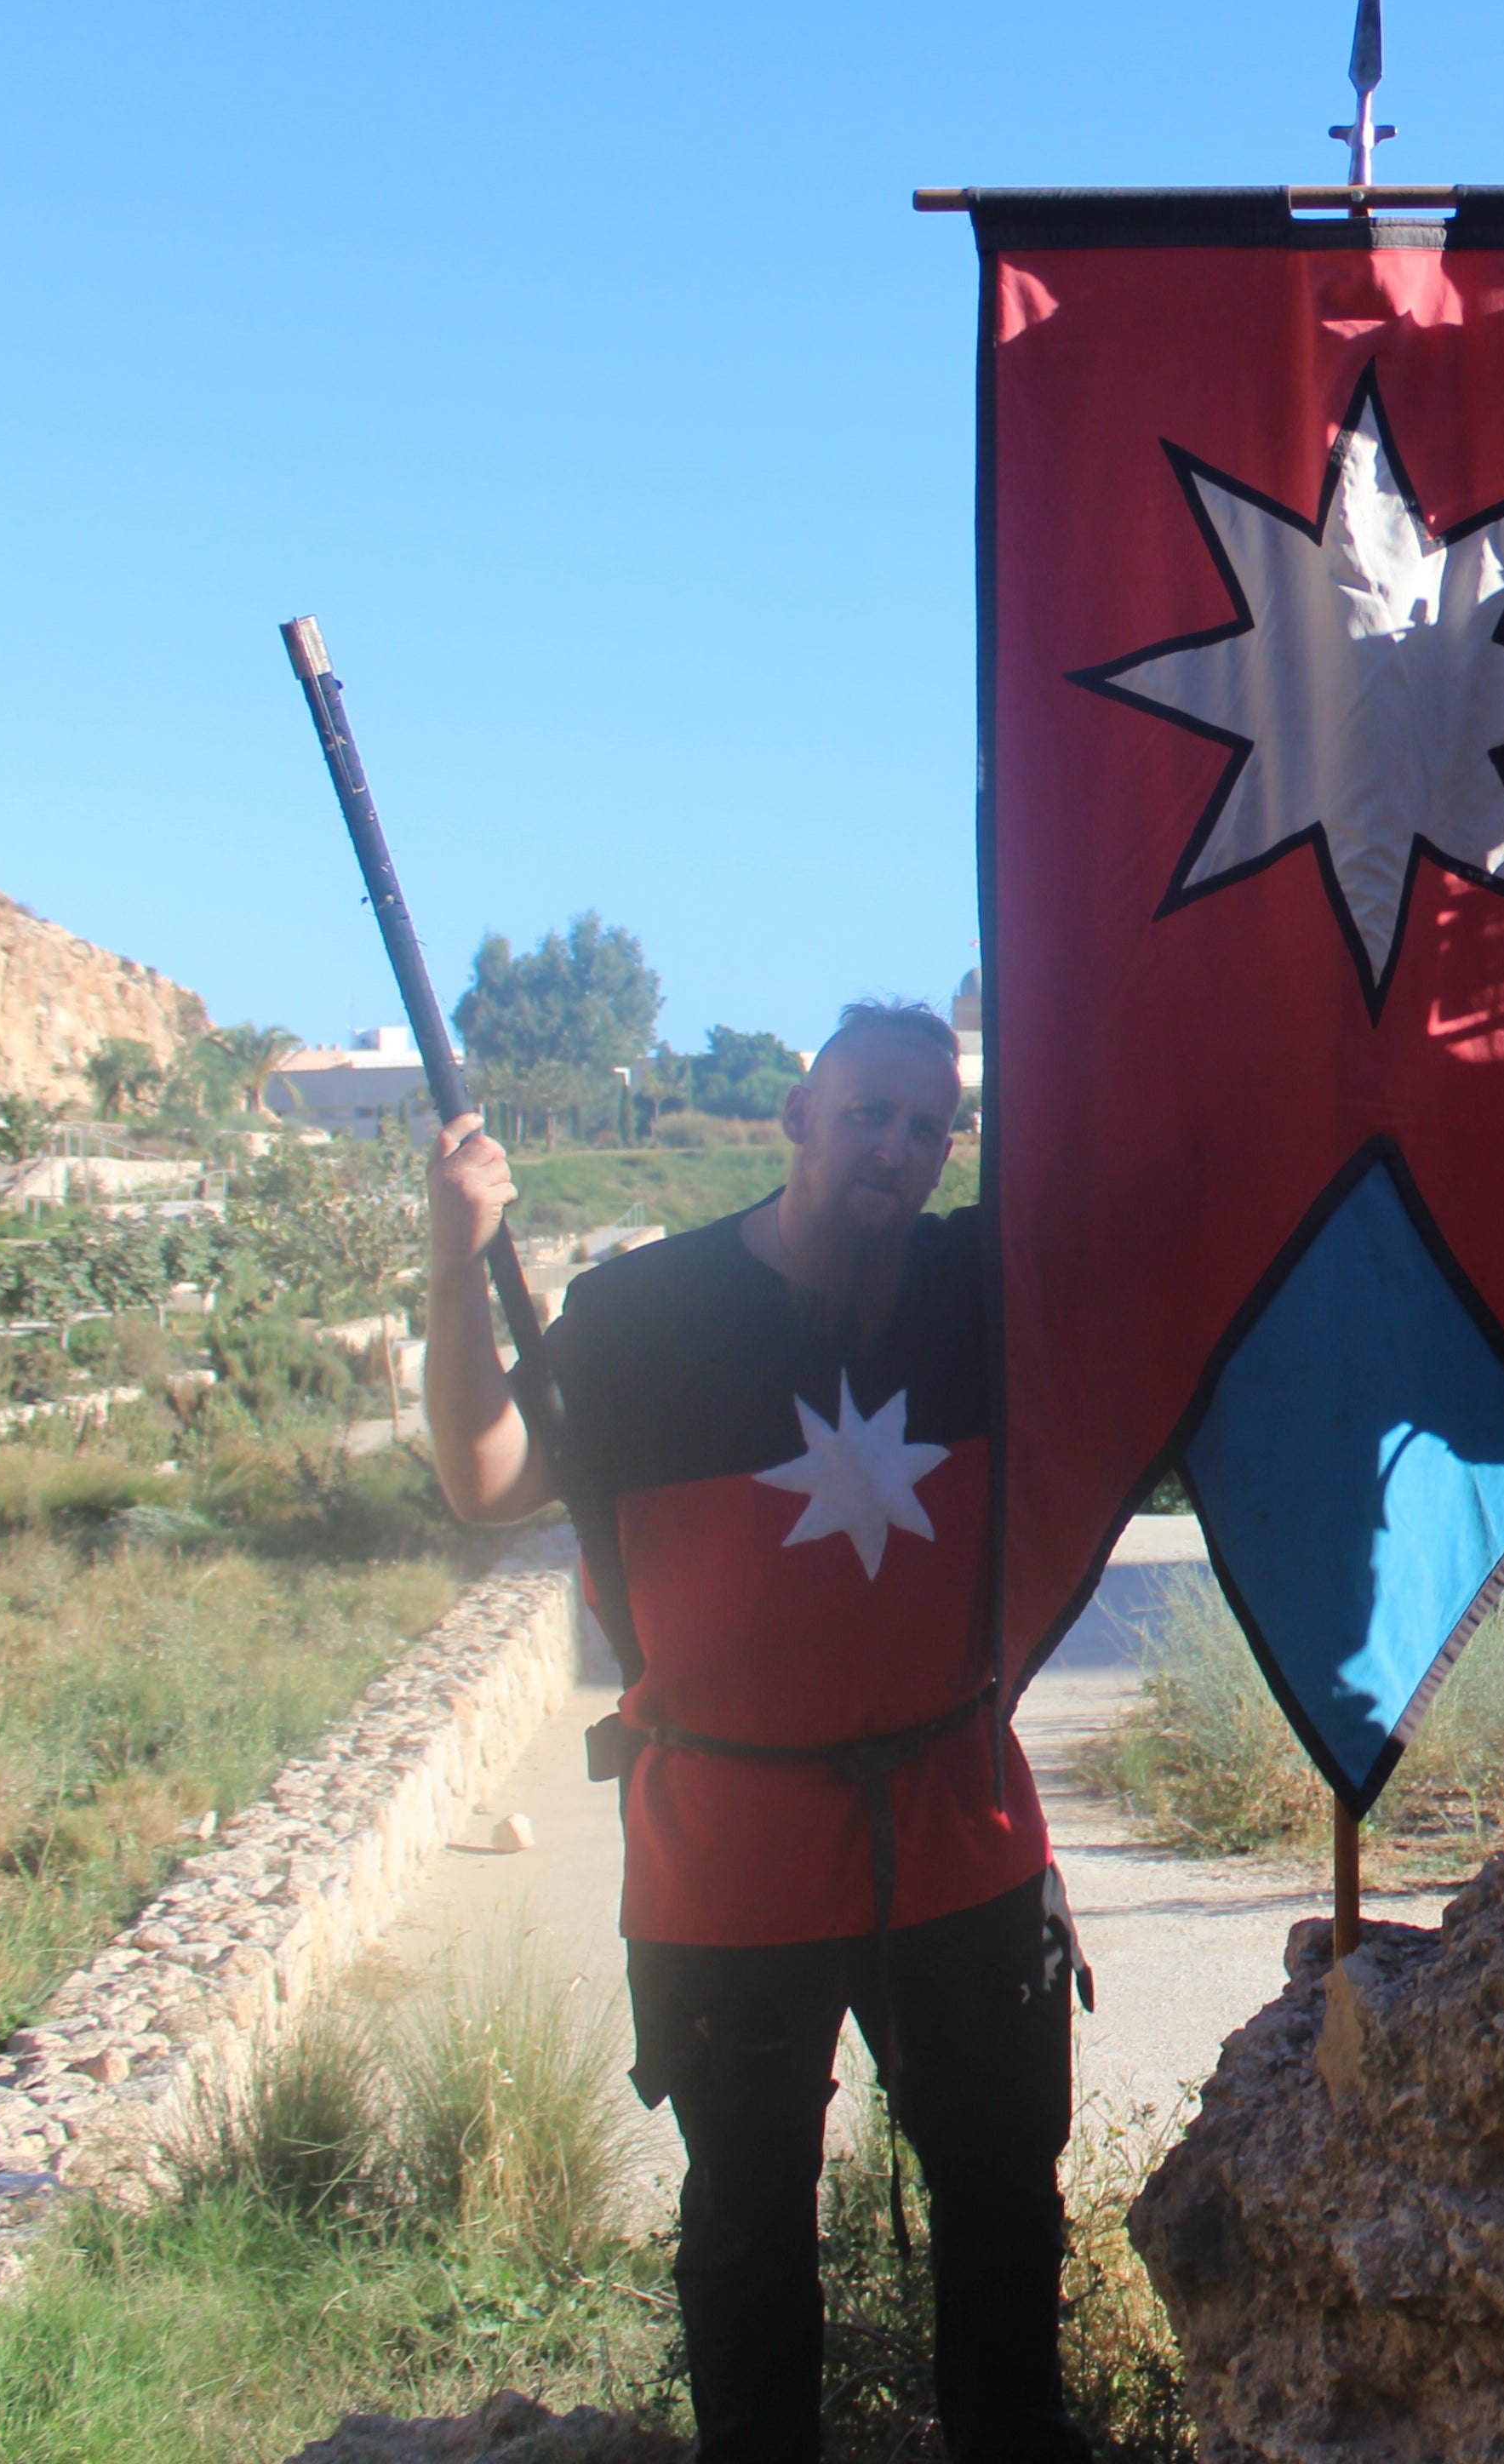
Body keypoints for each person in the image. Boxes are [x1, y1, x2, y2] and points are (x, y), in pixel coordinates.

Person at [426, 1003, 1089, 2464]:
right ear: (799, 1114)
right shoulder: (638, 1319)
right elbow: (485, 1481)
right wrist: (459, 1254)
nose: (901, 1150)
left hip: (960, 1839)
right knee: (744, 2229)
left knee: (1002, 2205)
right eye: (871, 1114)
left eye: (931, 1128)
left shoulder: (988, 1286)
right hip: (727, 1864)